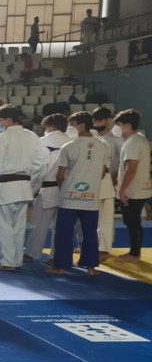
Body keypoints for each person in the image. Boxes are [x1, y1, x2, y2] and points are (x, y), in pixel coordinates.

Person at [0, 104, 47, 271]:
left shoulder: (2, 138)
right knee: (19, 226)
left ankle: (8, 262)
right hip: (24, 186)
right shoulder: (32, 136)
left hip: (6, 186)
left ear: (8, 120)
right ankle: (16, 261)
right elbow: (39, 164)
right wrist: (32, 185)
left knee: (3, 226)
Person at [46, 112, 109, 276]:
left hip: (69, 196)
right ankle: (91, 267)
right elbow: (103, 173)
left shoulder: (69, 146)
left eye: (72, 125)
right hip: (91, 196)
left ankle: (61, 266)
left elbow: (60, 175)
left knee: (64, 233)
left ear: (81, 125)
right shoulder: (103, 145)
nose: (69, 128)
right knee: (90, 233)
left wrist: (65, 187)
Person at [25, 114, 72, 264]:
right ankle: (55, 256)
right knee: (61, 226)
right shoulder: (72, 141)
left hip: (48, 186)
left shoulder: (43, 142)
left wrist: (32, 189)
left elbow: (39, 168)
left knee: (39, 224)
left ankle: (32, 253)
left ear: (49, 127)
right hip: (67, 189)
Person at [114, 109, 151, 262]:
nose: (118, 128)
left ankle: (134, 254)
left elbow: (131, 169)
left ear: (127, 125)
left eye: (120, 125)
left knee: (132, 222)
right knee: (133, 222)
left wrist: (122, 190)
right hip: (139, 188)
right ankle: (135, 252)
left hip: (133, 190)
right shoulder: (139, 138)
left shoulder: (133, 142)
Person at [92, 106, 125, 261]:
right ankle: (89, 244)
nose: (96, 123)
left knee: (105, 218)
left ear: (108, 121)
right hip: (89, 181)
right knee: (87, 217)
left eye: (100, 120)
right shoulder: (90, 138)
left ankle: (104, 249)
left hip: (108, 180)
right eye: (95, 120)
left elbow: (123, 164)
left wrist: (115, 179)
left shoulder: (116, 141)